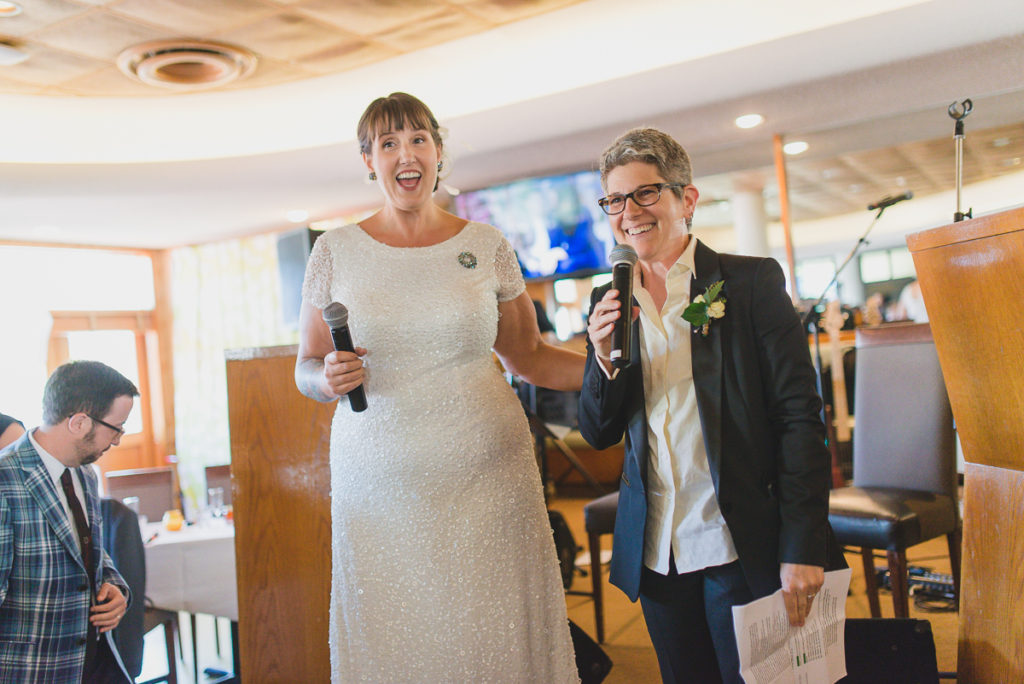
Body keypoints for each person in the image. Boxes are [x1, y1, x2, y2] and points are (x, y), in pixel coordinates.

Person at [294, 92, 585, 683]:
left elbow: (529, 356)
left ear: (439, 152)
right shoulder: (333, 251)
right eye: (388, 143)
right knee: (398, 638)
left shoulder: (486, 245)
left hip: (490, 474)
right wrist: (323, 379)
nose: (406, 153)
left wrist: (621, 364)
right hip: (380, 487)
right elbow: (306, 365)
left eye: (419, 138)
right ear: (369, 161)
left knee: (498, 633)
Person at [578, 128, 845, 683]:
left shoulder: (748, 284)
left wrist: (804, 544)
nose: (629, 212)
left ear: (687, 199)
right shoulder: (607, 300)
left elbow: (799, 417)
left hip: (740, 539)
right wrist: (604, 361)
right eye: (615, 200)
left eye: (646, 193)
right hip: (659, 550)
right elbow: (600, 431)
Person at [0, 360, 137, 683]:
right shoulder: (5, 480)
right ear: (78, 422)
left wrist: (116, 588)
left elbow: (89, 550)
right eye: (116, 428)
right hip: (32, 670)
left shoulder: (85, 472)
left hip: (93, 660)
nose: (118, 440)